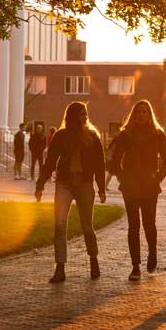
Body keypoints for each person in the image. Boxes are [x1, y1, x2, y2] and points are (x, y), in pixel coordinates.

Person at [35, 102, 106, 283]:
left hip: (84, 184)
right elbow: (50, 161)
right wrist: (40, 184)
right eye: (81, 115)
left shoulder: (92, 136)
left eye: (86, 114)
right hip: (64, 184)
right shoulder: (61, 136)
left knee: (87, 226)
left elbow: (100, 164)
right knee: (59, 225)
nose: (85, 117)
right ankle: (60, 268)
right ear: (73, 117)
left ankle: (93, 259)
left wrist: (101, 188)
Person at [112, 100, 166, 280]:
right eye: (138, 112)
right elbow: (115, 161)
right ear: (133, 114)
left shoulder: (158, 134)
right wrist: (123, 178)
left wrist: (158, 178)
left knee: (149, 224)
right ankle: (135, 266)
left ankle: (152, 253)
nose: (141, 115)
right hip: (130, 186)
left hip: (149, 187)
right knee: (133, 227)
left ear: (150, 114)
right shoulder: (125, 135)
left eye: (144, 112)